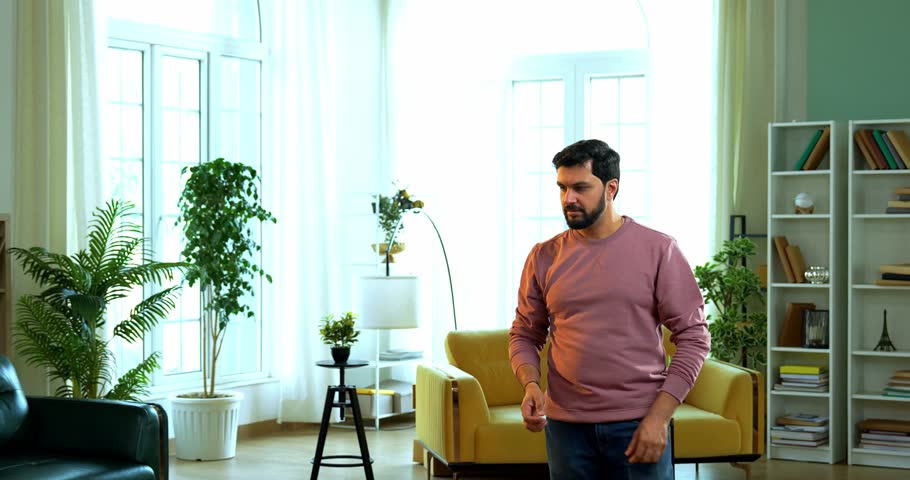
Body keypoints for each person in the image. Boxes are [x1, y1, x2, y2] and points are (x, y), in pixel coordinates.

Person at [509, 139, 710, 479]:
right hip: (565, 429)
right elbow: (525, 333)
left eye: (580, 188)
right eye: (562, 188)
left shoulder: (659, 249)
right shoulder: (543, 256)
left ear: (611, 188)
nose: (568, 199)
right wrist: (530, 383)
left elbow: (694, 338)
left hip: (638, 424)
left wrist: (658, 418)